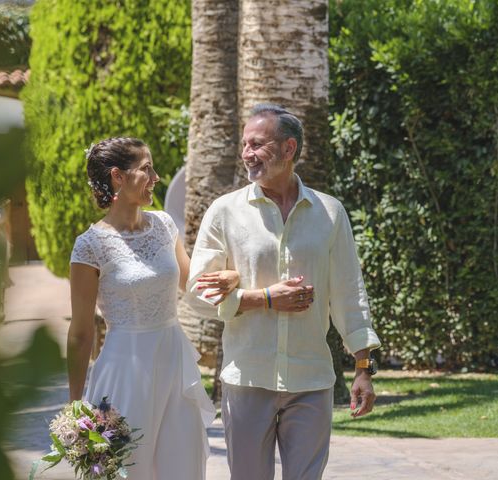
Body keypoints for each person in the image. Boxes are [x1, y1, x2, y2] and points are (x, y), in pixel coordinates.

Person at [188, 104, 381, 480]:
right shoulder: (224, 212)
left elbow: (348, 294)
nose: (247, 153)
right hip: (247, 380)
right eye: (245, 144)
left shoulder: (330, 212)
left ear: (289, 148)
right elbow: (197, 295)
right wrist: (265, 298)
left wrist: (363, 369)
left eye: (257, 144)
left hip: (311, 381)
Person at [68, 137, 239, 479]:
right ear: (118, 176)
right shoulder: (89, 247)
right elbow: (81, 332)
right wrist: (75, 408)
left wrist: (233, 276)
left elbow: (193, 284)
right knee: (126, 467)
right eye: (147, 169)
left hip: (173, 361)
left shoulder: (164, 225)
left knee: (182, 463)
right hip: (124, 368)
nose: (156, 177)